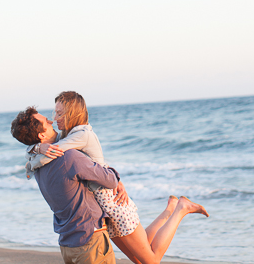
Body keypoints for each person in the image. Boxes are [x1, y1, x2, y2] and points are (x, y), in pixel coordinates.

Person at [13, 91, 209, 264]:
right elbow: (82, 164)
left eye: (58, 114)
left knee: (151, 260)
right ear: (40, 134)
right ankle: (170, 210)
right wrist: (36, 149)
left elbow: (92, 169)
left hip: (112, 202)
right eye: (50, 117)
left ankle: (179, 209)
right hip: (102, 213)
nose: (53, 120)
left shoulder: (76, 139)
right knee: (143, 253)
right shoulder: (65, 144)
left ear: (71, 113)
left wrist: (34, 153)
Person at [11, 106, 119, 264]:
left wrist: (36, 148)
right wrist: (110, 170)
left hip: (67, 244)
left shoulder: (36, 165)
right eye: (46, 122)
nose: (51, 120)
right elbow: (111, 181)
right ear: (42, 135)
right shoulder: (70, 157)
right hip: (89, 240)